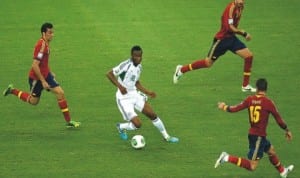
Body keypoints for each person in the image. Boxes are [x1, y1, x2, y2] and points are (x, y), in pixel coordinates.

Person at [3, 22, 80, 128]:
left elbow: (43, 62)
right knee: (33, 101)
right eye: (50, 32)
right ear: (44, 33)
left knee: (60, 93)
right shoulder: (41, 45)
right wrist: (43, 81)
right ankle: (12, 90)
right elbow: (35, 65)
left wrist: (49, 71)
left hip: (45, 75)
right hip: (36, 79)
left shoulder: (46, 43)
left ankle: (69, 122)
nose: (52, 34)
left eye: (53, 32)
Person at [214, 78, 294, 178]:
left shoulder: (249, 100)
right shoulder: (268, 102)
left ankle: (282, 171)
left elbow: (235, 109)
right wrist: (287, 130)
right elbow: (279, 119)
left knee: (271, 151)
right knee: (252, 166)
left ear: (256, 88)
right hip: (258, 137)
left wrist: (224, 106)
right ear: (266, 89)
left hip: (257, 135)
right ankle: (226, 157)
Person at [173, 0, 256, 92]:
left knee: (248, 56)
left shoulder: (240, 7)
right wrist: (243, 33)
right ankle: (181, 70)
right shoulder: (231, 8)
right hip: (222, 40)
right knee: (208, 63)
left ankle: (245, 86)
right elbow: (230, 27)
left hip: (231, 39)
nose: (241, 2)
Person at [106, 45, 179, 143]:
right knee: (137, 124)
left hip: (134, 94)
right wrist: (120, 86)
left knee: (152, 115)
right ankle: (121, 127)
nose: (138, 58)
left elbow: (136, 82)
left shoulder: (139, 67)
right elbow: (109, 74)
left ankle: (167, 137)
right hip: (123, 98)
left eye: (140, 56)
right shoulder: (125, 65)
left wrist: (147, 92)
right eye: (136, 56)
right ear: (132, 56)